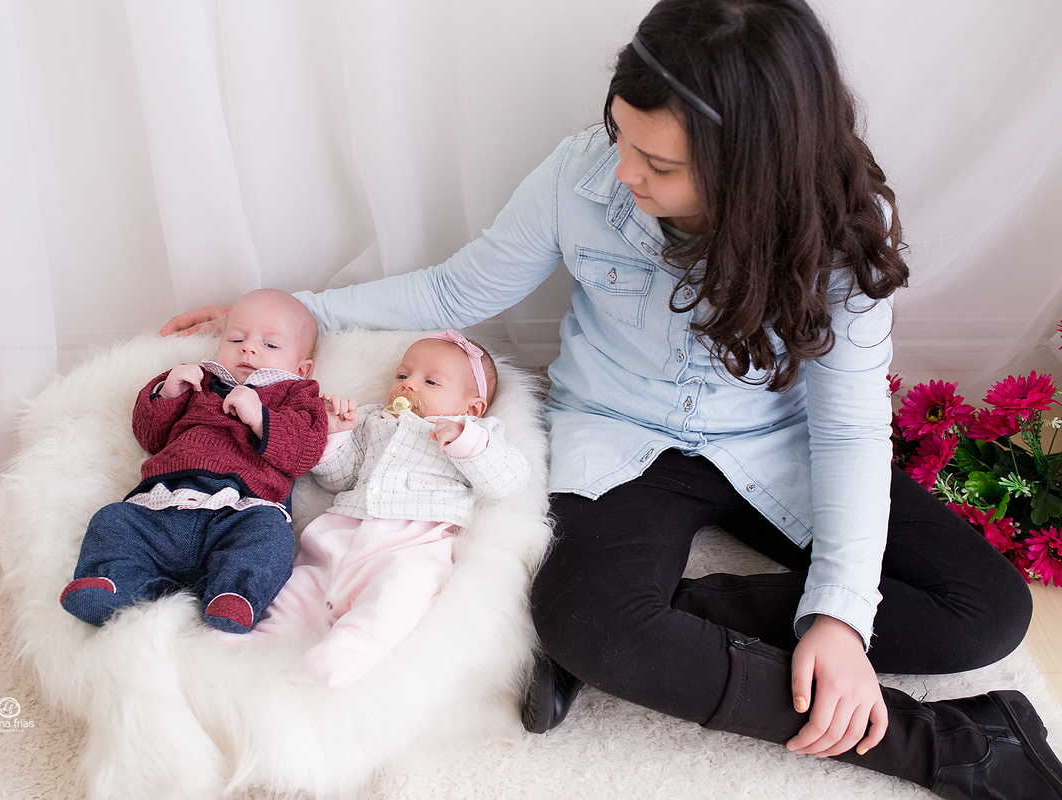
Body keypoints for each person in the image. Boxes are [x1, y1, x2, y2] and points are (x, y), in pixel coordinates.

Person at [160, 1, 1062, 795]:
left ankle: (678, 627)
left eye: (658, 164)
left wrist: (837, 618)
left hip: (777, 444)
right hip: (620, 439)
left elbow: (853, 428)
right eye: (621, 136)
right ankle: (950, 747)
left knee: (985, 612)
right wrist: (297, 311)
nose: (625, 172)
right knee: (589, 623)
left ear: (753, 166)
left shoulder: (843, 230)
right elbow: (454, 294)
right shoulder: (581, 174)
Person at [248, 330, 530, 687]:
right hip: (342, 532)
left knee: (399, 595)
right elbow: (340, 478)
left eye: (430, 381)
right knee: (298, 590)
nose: (408, 385)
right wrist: (335, 435)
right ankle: (263, 643)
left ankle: (343, 655)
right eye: (402, 375)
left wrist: (466, 439)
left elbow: (507, 482)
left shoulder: (475, 431)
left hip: (413, 543)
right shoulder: (372, 420)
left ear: (472, 407)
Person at [62, 289, 328, 634]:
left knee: (271, 538)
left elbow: (305, 452)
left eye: (270, 345)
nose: (248, 348)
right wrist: (165, 394)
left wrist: (262, 418)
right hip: (164, 504)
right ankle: (112, 583)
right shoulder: (200, 380)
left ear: (301, 368)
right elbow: (151, 438)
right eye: (236, 338)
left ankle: (235, 594)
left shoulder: (298, 395)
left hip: (242, 512)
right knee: (114, 519)